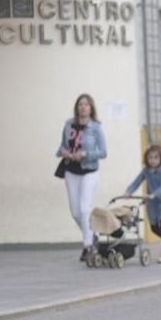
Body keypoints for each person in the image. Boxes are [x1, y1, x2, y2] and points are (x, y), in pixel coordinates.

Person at [56, 93, 108, 262]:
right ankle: (91, 236)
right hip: (71, 170)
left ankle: (88, 245)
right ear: (76, 107)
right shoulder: (68, 124)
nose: (83, 107)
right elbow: (62, 146)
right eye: (80, 104)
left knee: (85, 208)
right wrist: (63, 152)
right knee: (75, 212)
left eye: (86, 104)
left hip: (89, 171)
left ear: (91, 108)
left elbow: (103, 152)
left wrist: (85, 154)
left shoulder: (96, 127)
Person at [125, 144, 161, 263]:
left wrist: (154, 194)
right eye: (150, 158)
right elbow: (137, 182)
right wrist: (128, 191)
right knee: (154, 228)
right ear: (146, 159)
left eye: (156, 158)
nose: (153, 160)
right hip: (152, 203)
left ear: (160, 158)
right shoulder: (146, 171)